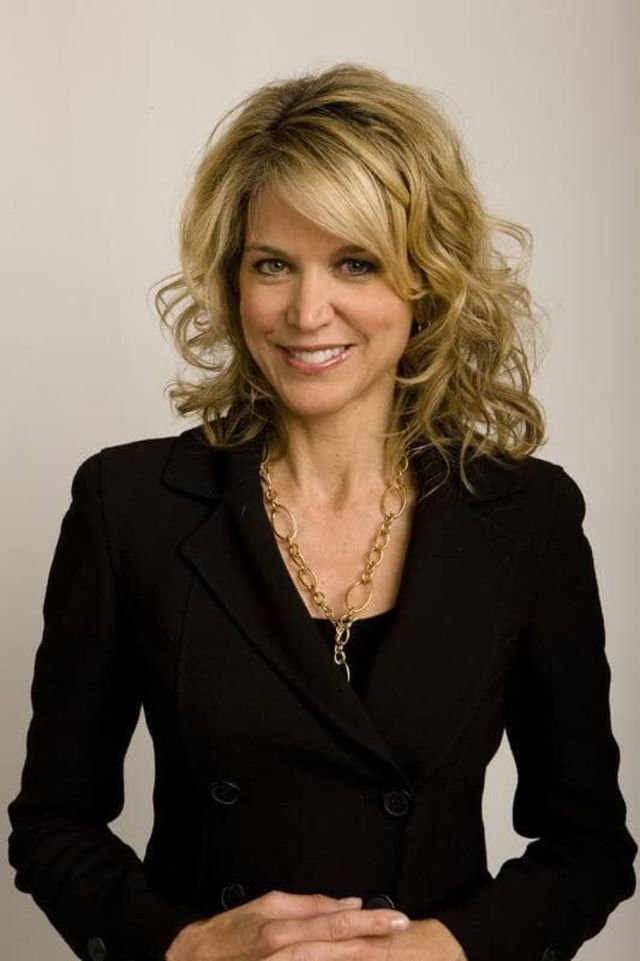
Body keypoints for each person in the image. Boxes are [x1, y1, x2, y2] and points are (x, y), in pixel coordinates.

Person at [7, 62, 636, 961]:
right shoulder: (129, 504)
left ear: (427, 281)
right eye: (273, 264)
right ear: (233, 280)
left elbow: (590, 848)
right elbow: (52, 823)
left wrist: (442, 949)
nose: (307, 311)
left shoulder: (527, 516)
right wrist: (184, 947)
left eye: (355, 262)